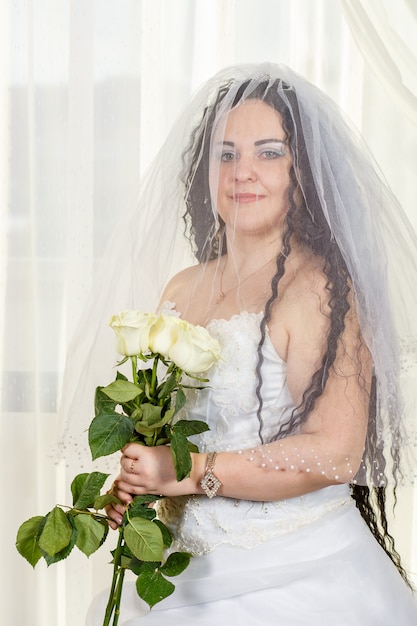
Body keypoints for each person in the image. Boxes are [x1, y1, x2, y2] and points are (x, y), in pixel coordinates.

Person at [59, 64, 417, 624]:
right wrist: (137, 485)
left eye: (268, 152)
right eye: (226, 154)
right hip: (178, 577)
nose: (242, 172)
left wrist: (186, 471)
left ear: (304, 172)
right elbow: (161, 436)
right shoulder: (182, 287)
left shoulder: (321, 288)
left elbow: (337, 451)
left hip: (299, 576)